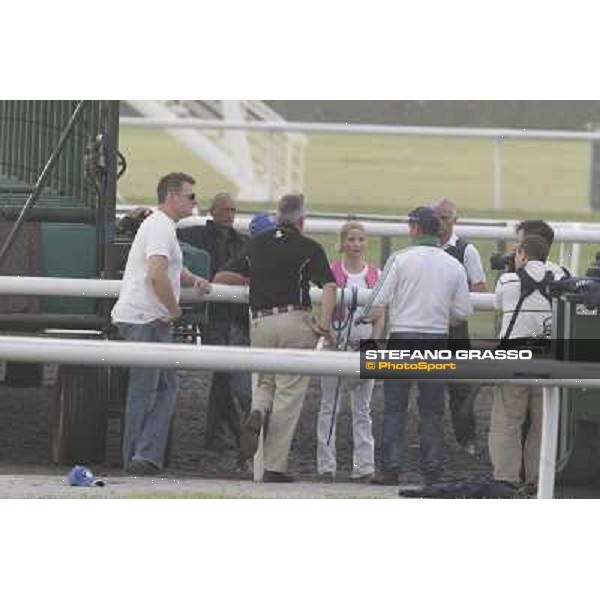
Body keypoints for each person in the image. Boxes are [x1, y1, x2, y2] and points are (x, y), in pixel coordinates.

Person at [214, 193, 337, 483]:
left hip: (260, 323)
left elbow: (222, 277)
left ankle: (257, 410)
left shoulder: (255, 244)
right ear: (302, 220)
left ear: (277, 217)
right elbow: (329, 287)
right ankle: (274, 466)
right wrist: (325, 323)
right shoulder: (309, 247)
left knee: (265, 383)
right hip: (295, 321)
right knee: (288, 395)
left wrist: (253, 280)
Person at [358, 206, 472, 486]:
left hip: (403, 337)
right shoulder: (453, 265)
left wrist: (362, 318)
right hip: (436, 339)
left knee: (395, 407)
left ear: (416, 228)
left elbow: (376, 303)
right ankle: (432, 469)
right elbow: (463, 312)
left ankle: (391, 469)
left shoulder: (400, 259)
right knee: (432, 410)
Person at [111, 172, 210, 475]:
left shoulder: (160, 226)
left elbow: (167, 268)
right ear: (171, 196)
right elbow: (156, 273)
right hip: (147, 318)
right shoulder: (159, 227)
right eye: (190, 196)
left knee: (163, 387)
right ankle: (138, 458)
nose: (195, 201)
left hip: (149, 318)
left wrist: (192, 279)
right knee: (150, 389)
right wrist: (174, 308)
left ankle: (145, 455)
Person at [177, 192, 251, 450]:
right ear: (213, 212)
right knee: (222, 374)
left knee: (223, 375)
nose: (230, 215)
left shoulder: (242, 241)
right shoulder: (194, 235)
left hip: (235, 314)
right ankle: (235, 429)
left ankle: (217, 433)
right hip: (211, 314)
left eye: (233, 211)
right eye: (225, 210)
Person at [316, 221, 385, 483]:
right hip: (334, 348)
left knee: (363, 411)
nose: (356, 245)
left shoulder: (376, 275)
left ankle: (364, 466)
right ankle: (326, 466)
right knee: (329, 408)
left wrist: (373, 344)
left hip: (363, 348)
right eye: (352, 239)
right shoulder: (331, 273)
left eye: (361, 240)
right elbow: (323, 312)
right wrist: (331, 338)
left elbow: (380, 316)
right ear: (343, 243)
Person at [489, 234, 559, 488]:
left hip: (513, 357)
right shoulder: (559, 277)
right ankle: (538, 480)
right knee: (543, 425)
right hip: (548, 358)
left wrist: (512, 270)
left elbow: (499, 304)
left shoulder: (508, 279)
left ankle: (505, 479)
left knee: (507, 421)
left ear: (523, 254)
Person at [433, 198, 487, 454]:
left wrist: (456, 314)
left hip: (455, 329)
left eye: (445, 218)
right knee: (427, 388)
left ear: (455, 221)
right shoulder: (422, 248)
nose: (440, 222)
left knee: (459, 389)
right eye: (437, 217)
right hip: (428, 328)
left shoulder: (467, 251)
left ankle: (466, 439)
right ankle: (431, 441)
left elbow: (479, 291)